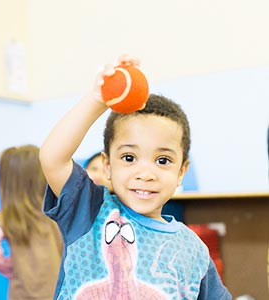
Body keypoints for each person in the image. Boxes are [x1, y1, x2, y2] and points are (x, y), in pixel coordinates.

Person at [39, 54, 232, 299]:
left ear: (181, 171)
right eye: (129, 158)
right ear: (107, 165)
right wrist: (96, 100)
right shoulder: (89, 211)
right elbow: (52, 158)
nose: (145, 173)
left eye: (162, 161)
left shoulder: (193, 250)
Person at [0, 145, 62, 300]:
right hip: (57, 293)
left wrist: (9, 267)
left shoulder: (7, 216)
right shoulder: (53, 211)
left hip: (23, 294)